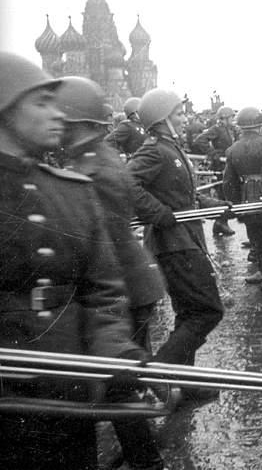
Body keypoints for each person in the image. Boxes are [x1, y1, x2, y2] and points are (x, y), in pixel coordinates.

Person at [0, 51, 145, 469]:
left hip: (66, 394)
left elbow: (103, 290)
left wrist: (113, 349)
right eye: (41, 103)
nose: (58, 114)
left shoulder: (73, 192)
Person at [54, 75, 166, 470]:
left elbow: (92, 243)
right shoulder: (99, 158)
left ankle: (146, 459)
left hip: (121, 285)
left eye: (64, 123)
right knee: (122, 377)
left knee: (118, 383)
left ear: (80, 125)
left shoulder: (92, 171)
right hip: (132, 281)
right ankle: (143, 448)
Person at [127, 88, 224, 401]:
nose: (184, 119)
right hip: (173, 243)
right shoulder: (155, 150)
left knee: (189, 312)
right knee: (207, 311)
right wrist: (158, 213)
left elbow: (182, 196)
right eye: (179, 114)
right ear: (162, 119)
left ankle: (185, 383)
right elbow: (126, 183)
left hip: (184, 239)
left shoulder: (170, 148)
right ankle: (159, 369)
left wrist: (216, 206)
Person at [223, 107, 262, 309]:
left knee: (259, 241)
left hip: (247, 199)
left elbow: (229, 182)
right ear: (260, 125)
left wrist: (236, 204)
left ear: (241, 127)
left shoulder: (233, 149)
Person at [193, 105, 237, 236]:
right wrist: (213, 153)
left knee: (227, 194)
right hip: (220, 165)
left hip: (227, 164)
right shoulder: (216, 129)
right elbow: (200, 140)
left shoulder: (230, 130)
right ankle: (220, 223)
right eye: (231, 118)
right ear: (224, 118)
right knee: (223, 194)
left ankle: (221, 222)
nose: (232, 120)